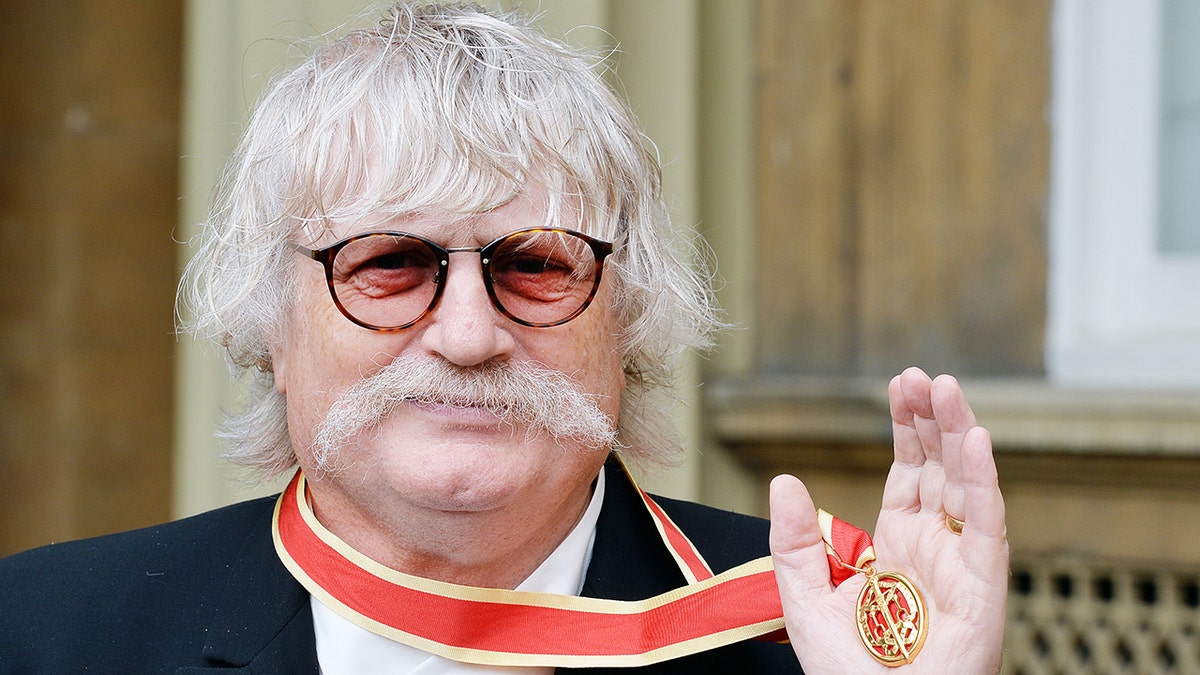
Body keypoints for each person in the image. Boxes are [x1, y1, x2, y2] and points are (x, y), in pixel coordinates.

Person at [0, 3, 1009, 673]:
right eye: (390, 263)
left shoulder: (817, 637)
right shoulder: (46, 633)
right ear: (270, 317)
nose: (471, 334)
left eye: (536, 265)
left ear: (632, 317)